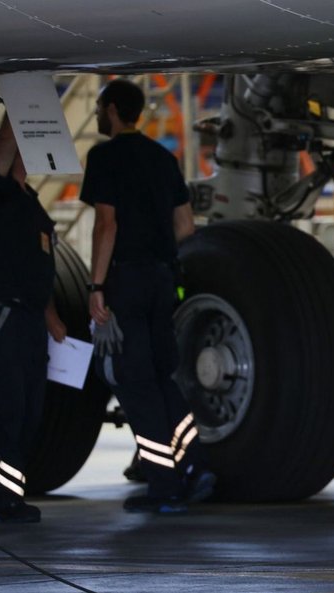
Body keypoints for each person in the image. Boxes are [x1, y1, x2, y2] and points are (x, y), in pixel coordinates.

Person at [80, 78, 214, 514]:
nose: (98, 114)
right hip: (162, 281)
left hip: (127, 281)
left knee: (135, 385)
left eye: (101, 107)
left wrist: (97, 286)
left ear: (114, 110)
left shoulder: (105, 157)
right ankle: (194, 466)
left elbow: (107, 224)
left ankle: (164, 486)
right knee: (162, 379)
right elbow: (186, 227)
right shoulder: (163, 157)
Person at [0, 114, 66, 524]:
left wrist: (52, 320)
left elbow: (36, 267)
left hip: (29, 319)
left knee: (28, 413)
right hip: (1, 316)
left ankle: (2, 495)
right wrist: (23, 100)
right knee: (5, 411)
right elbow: (6, 140)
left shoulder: (32, 203)